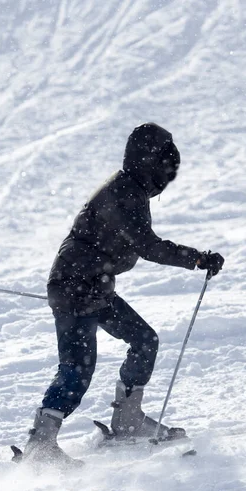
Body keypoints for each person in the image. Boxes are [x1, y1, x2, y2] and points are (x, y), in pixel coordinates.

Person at [18, 123, 224, 467]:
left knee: (144, 340)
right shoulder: (125, 193)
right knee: (77, 369)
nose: (168, 172)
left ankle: (128, 420)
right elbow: (148, 246)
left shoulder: (131, 189)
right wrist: (197, 258)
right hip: (76, 288)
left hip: (92, 287)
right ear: (148, 162)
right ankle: (41, 445)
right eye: (164, 163)